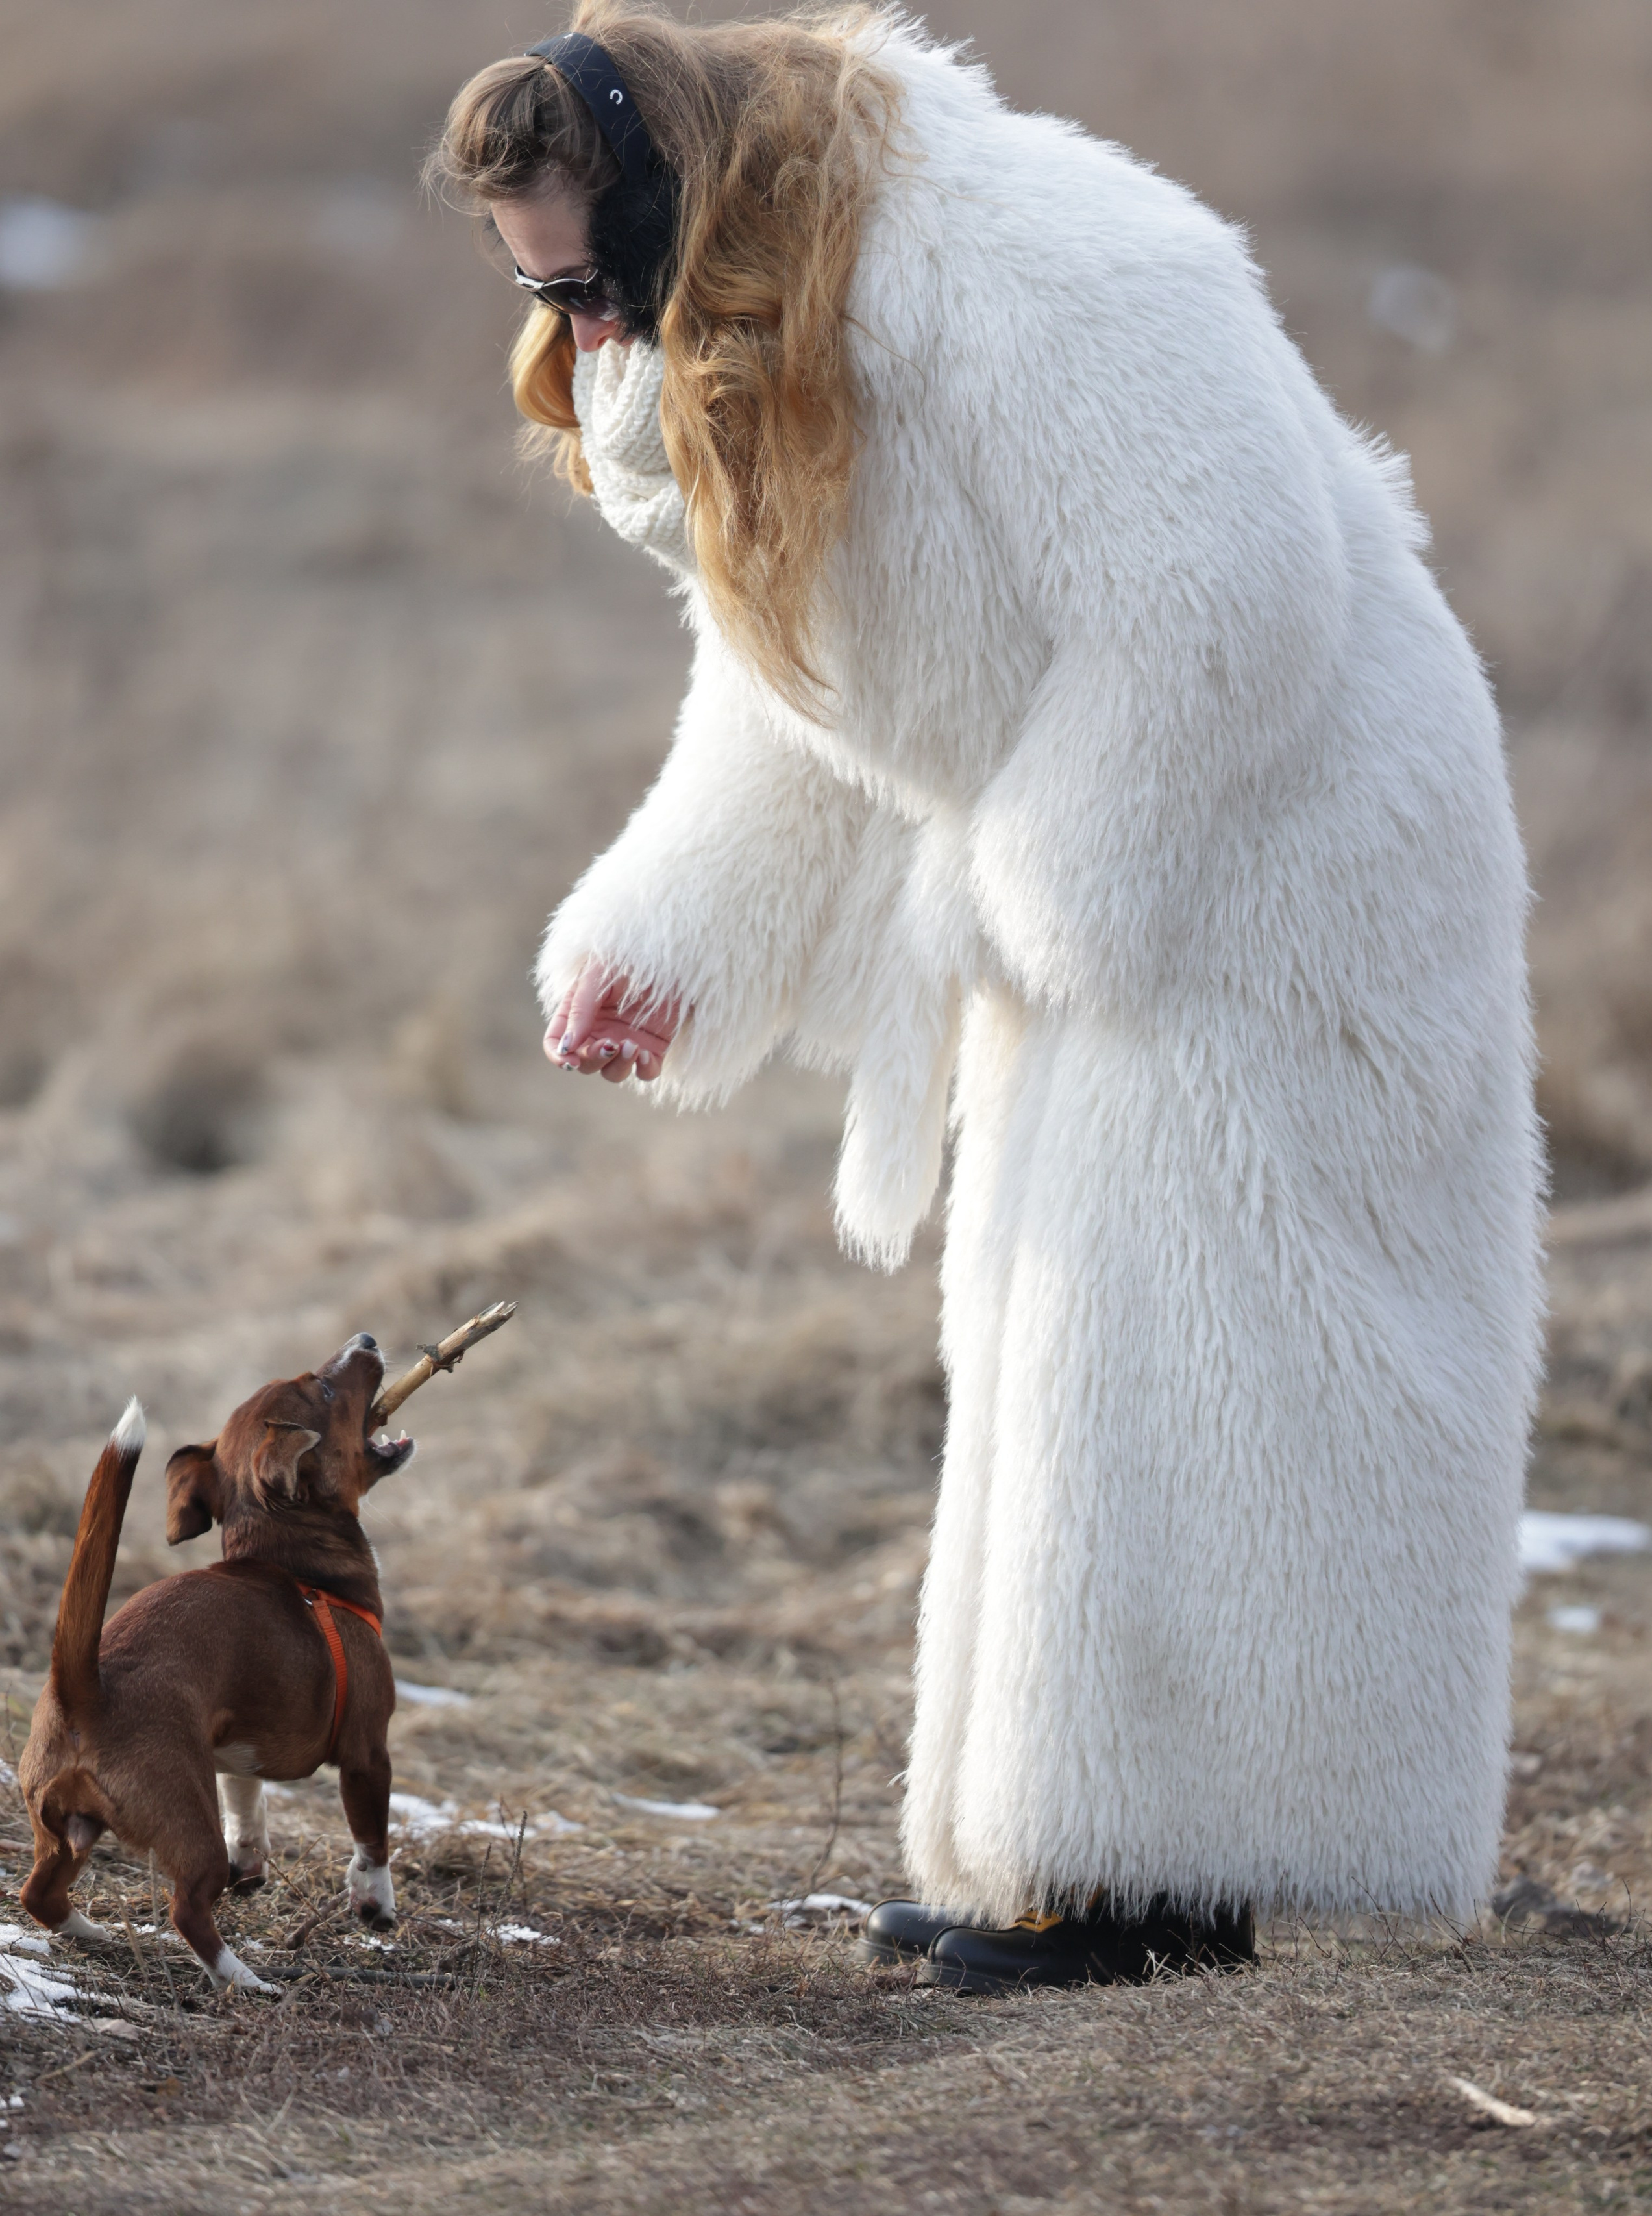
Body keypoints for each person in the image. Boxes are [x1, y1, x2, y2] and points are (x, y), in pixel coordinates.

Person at [430, 3, 1542, 1991]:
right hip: (1116, 853)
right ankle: (1071, 1842)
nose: (582, 322)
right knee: (1068, 1321)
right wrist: (666, 934)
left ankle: (1151, 1877)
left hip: (1299, 837)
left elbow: (1226, 592)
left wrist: (1043, 886)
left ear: (682, 184)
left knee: (1210, 1341)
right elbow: (814, 678)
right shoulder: (763, 325)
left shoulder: (1039, 265)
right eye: (543, 289)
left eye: (593, 273)